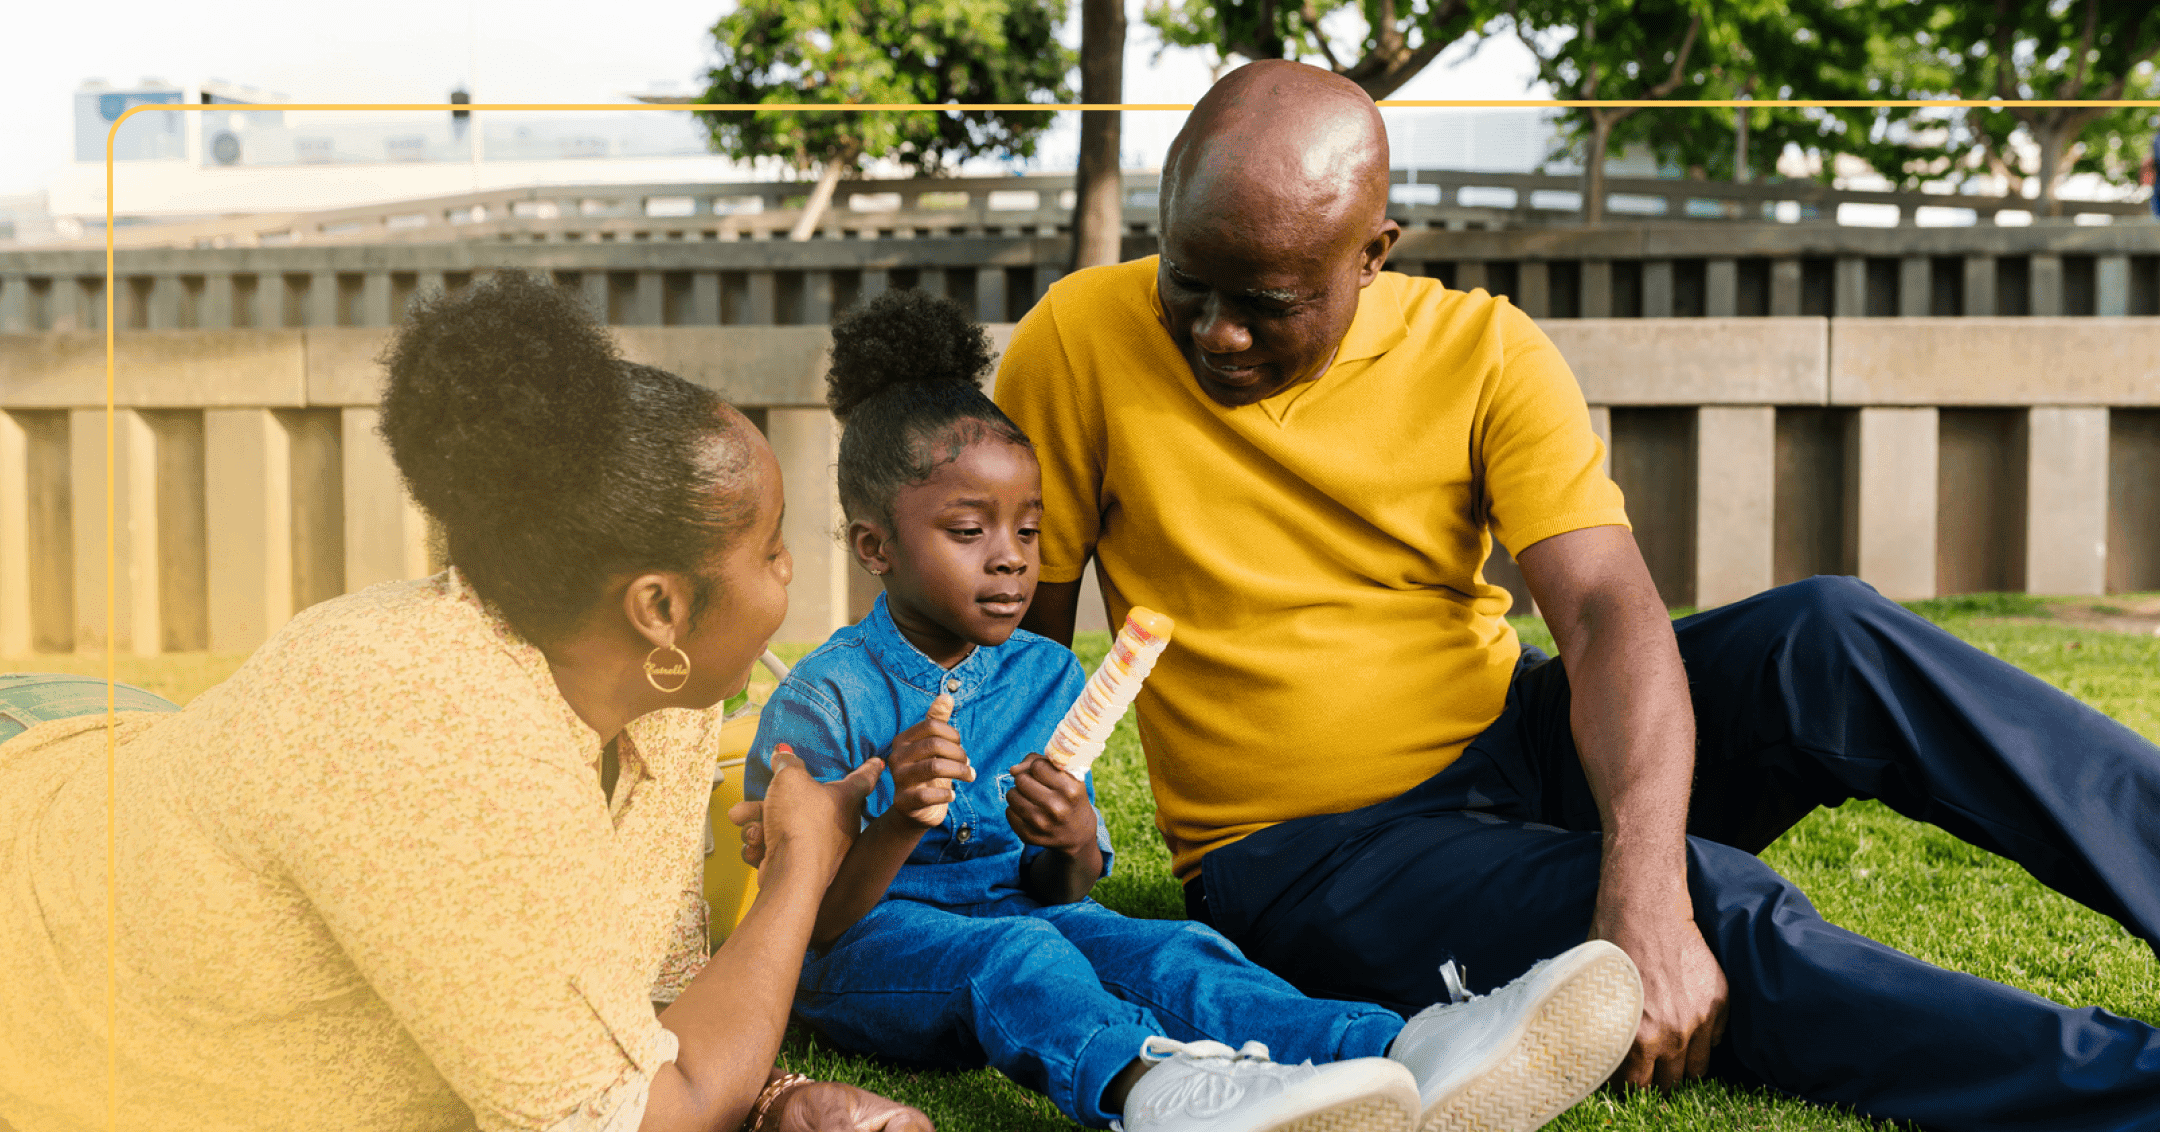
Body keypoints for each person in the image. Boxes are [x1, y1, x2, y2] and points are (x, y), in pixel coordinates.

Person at [992, 60, 2160, 1132]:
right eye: (1187, 281)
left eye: (1266, 300)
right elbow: (1012, 654)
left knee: (1827, 634)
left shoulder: (1482, 349)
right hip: (1311, 861)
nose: (1217, 330)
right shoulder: (1078, 341)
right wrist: (1016, 844)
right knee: (1719, 903)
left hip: (1520, 747)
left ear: (1373, 254)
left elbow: (1604, 609)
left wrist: (1638, 885)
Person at [0, 272, 929, 1132]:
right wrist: (803, 863)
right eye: (771, 549)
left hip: (121, 757)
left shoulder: (664, 695)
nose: (790, 574)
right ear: (659, 608)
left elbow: (628, 1016)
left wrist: (772, 1098)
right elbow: (627, 1118)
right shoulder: (444, 748)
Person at [738, 290, 1644, 1132]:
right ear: (876, 547)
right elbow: (808, 925)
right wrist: (899, 819)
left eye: (1030, 528)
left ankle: (1401, 1048)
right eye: (970, 532)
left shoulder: (1045, 675)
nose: (1012, 557)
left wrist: (1069, 840)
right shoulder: (826, 700)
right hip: (863, 960)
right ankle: (1157, 1090)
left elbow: (1057, 892)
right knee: (1018, 961)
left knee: (1169, 951)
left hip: (1023, 917)